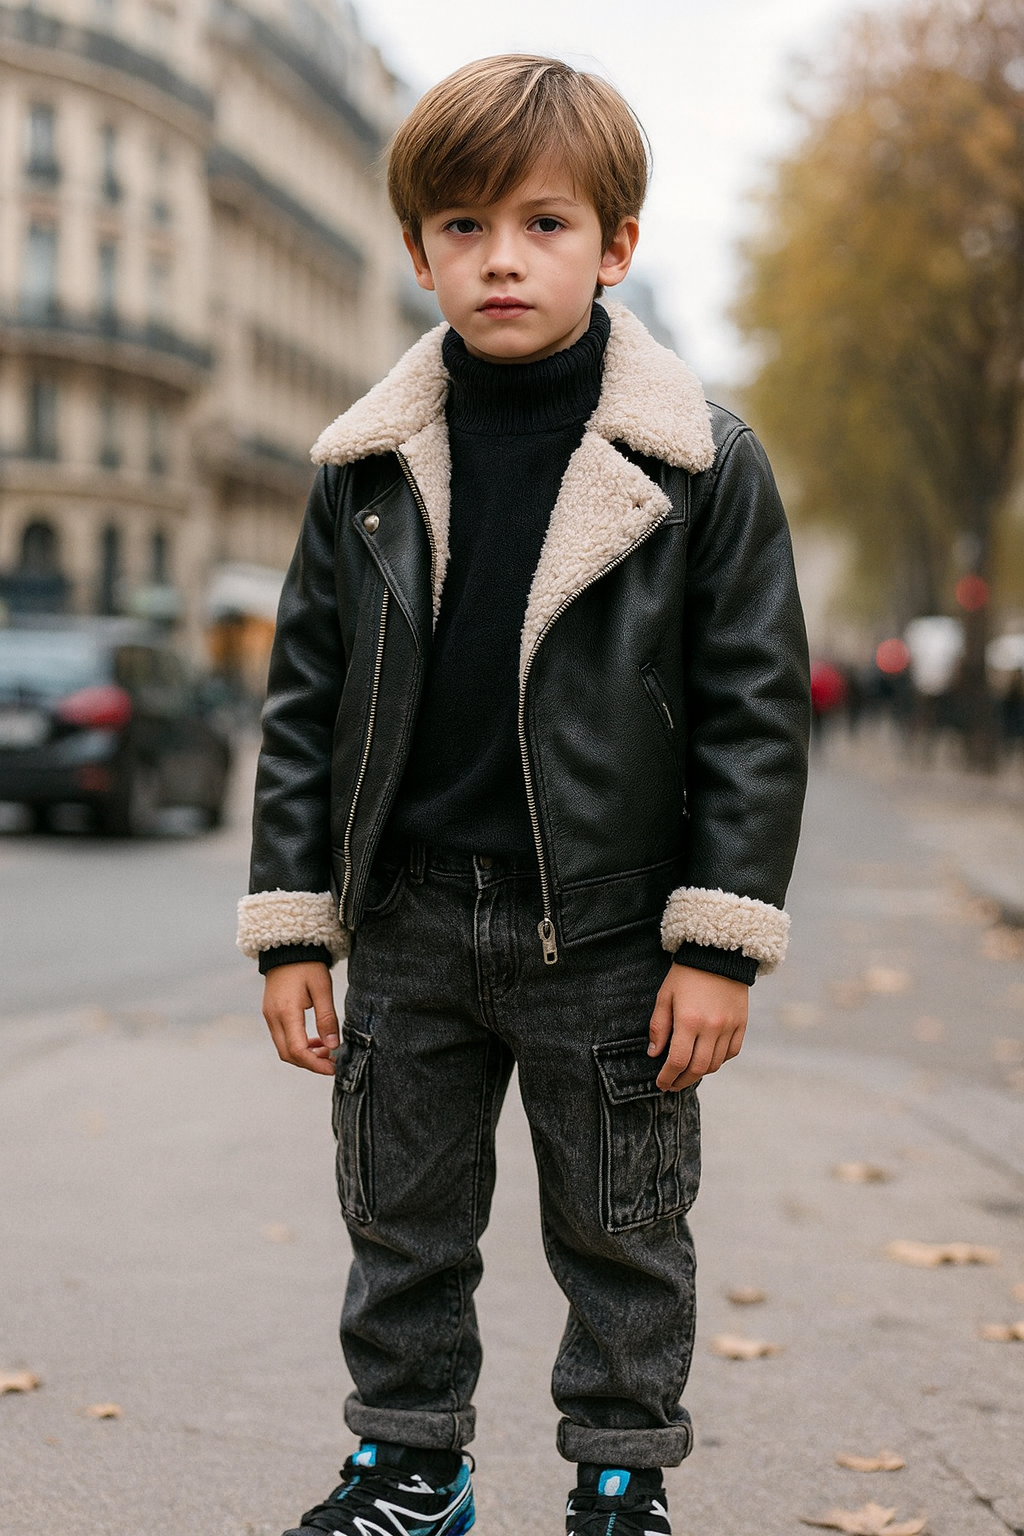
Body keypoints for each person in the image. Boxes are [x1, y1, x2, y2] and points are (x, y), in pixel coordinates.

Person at [238, 54, 810, 1536]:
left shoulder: (703, 465)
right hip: (412, 916)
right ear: (418, 249)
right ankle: (412, 1467)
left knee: (624, 1222)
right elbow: (303, 702)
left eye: (546, 224)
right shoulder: (361, 465)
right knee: (401, 1219)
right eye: (463, 226)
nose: (502, 257)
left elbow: (757, 715)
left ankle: (621, 1478)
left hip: (612, 933)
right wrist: (296, 925)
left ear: (617, 246)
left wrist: (720, 944)